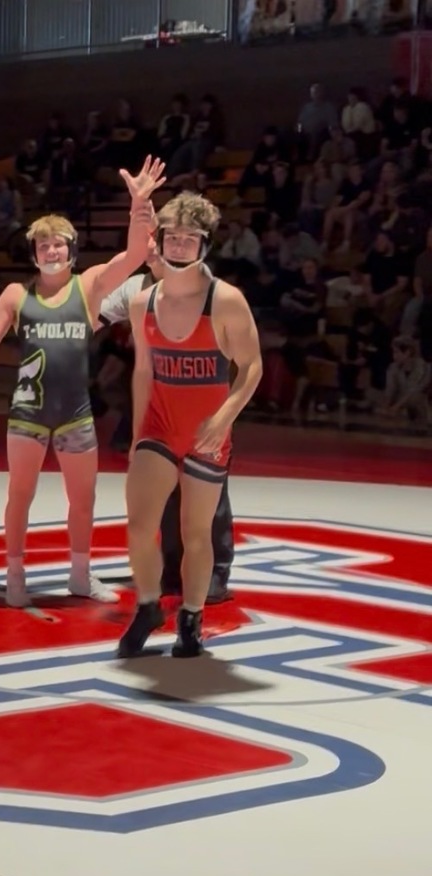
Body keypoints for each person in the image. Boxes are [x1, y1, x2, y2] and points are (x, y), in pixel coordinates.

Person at [0, 156, 166, 608]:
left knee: (84, 499)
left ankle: (79, 575)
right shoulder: (17, 295)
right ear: (34, 253)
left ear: (72, 250)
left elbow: (132, 257)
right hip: (27, 417)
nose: (52, 252)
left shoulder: (88, 287)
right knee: (20, 495)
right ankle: (15, 574)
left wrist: (140, 205)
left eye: (59, 245)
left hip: (75, 416)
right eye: (44, 245)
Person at [117, 191, 262, 659]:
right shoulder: (143, 304)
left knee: (197, 534)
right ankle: (146, 605)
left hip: (206, 434)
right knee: (139, 525)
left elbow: (252, 367)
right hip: (159, 428)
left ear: (205, 243)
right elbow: (143, 371)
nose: (178, 246)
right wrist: (139, 432)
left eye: (189, 238)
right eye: (172, 237)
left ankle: (192, 618)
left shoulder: (226, 301)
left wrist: (225, 416)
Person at [100, 241, 235, 604]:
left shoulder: (207, 290)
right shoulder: (137, 290)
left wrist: (225, 412)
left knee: (206, 500)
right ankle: (174, 570)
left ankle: (215, 573)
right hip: (160, 403)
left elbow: (239, 356)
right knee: (163, 494)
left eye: (157, 248)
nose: (154, 255)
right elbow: (94, 314)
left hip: (200, 403)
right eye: (147, 250)